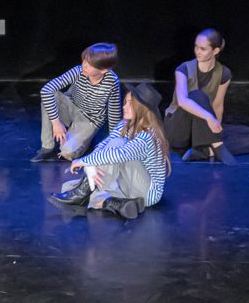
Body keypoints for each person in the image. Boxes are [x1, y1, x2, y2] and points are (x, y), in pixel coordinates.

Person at [50, 83, 171, 219]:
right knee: (69, 186)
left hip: (146, 192)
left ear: (141, 109)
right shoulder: (125, 124)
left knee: (117, 145)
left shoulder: (148, 135)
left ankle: (85, 194)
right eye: (125, 102)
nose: (124, 107)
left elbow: (119, 154)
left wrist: (84, 161)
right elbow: (104, 145)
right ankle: (111, 203)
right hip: (128, 183)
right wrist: (90, 166)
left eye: (130, 104)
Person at [31, 44, 122, 163]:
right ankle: (47, 147)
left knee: (67, 152)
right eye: (84, 60)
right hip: (71, 108)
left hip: (89, 121)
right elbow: (46, 90)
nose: (84, 65)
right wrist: (56, 123)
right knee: (51, 95)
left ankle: (84, 141)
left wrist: (114, 143)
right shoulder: (78, 71)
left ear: (103, 70)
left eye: (90, 64)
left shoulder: (112, 82)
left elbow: (114, 113)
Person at [163, 29, 236, 165]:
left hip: (201, 129)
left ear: (215, 51)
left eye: (203, 49)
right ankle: (216, 146)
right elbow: (182, 101)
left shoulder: (224, 73)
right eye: (196, 47)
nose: (197, 51)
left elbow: (218, 105)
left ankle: (204, 151)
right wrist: (208, 117)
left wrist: (216, 129)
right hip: (178, 128)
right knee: (197, 95)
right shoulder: (183, 69)